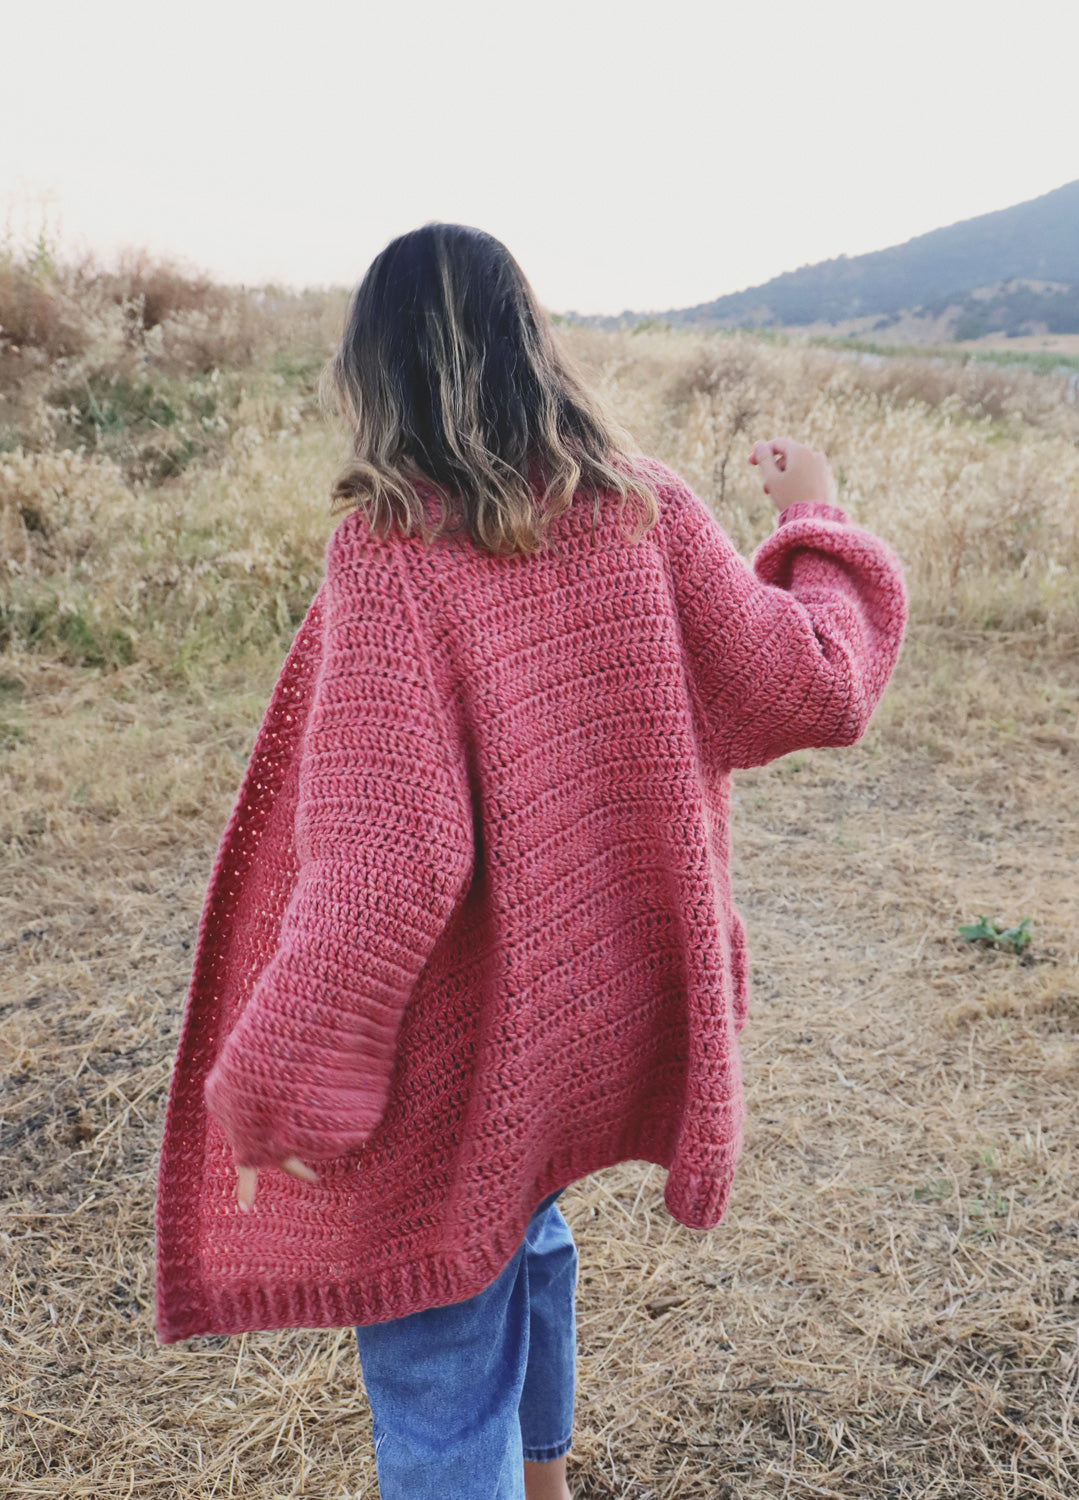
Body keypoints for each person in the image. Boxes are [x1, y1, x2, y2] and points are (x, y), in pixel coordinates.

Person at [154, 223, 908, 1500]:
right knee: (521, 1213)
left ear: (373, 374)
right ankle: (547, 1481)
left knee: (444, 1336)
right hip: (585, 1020)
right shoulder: (643, 508)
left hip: (469, 1036)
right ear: (533, 344)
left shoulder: (393, 558)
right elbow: (814, 683)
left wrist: (279, 1085)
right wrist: (812, 516)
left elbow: (386, 868)